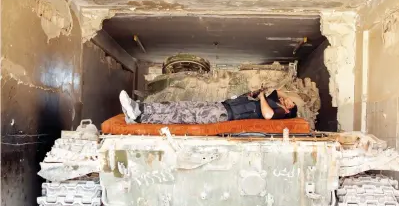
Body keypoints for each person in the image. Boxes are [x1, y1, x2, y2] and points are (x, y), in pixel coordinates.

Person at [119, 88, 297, 125]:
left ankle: (140, 118)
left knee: (180, 116)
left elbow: (266, 115)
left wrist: (262, 96)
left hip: (222, 114)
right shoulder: (275, 102)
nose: (288, 101)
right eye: (289, 100)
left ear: (289, 110)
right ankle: (139, 108)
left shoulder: (279, 112)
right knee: (179, 106)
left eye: (291, 104)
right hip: (220, 106)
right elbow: (279, 91)